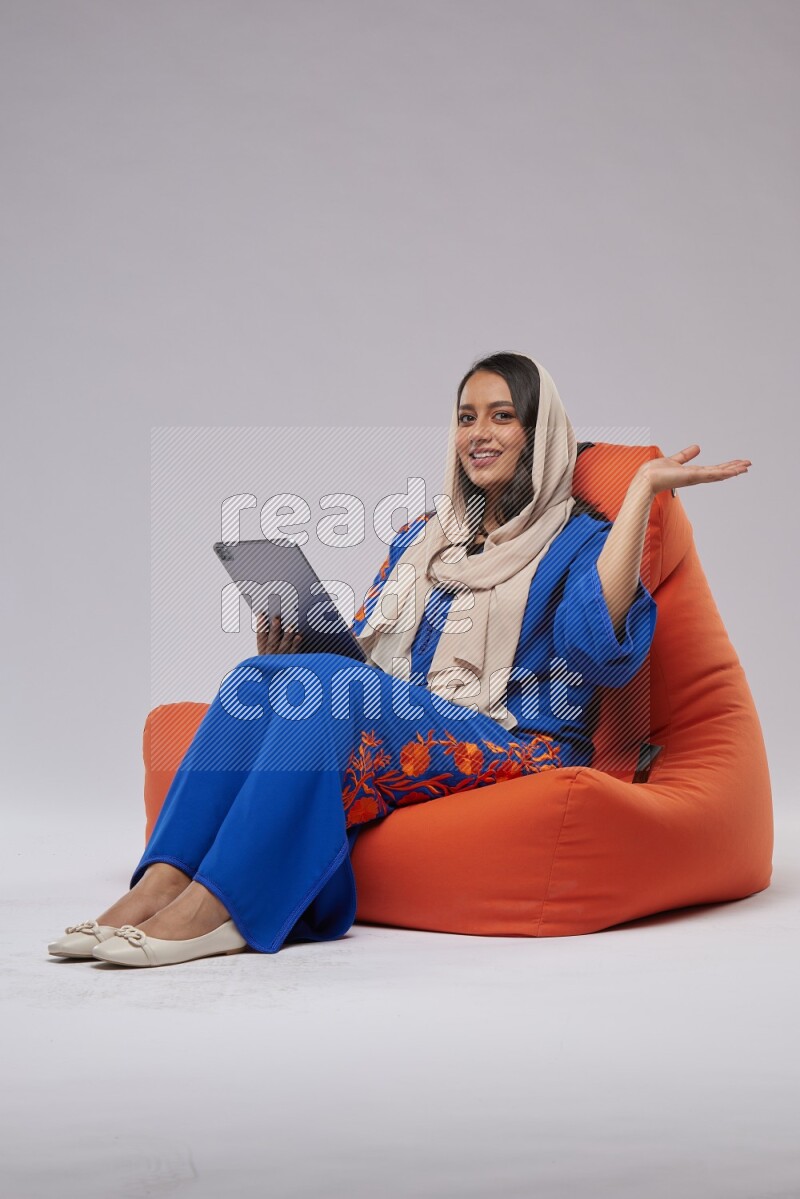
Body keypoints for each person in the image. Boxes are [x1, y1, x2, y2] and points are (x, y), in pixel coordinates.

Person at [47, 353, 751, 968]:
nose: (479, 432)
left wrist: (639, 498)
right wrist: (290, 655)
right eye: (466, 415)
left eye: (502, 416)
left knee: (329, 691)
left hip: (520, 742)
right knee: (255, 679)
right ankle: (157, 887)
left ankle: (222, 908)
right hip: (409, 716)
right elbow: (358, 658)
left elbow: (598, 651)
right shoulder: (425, 538)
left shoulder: (577, 540)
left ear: (537, 434)